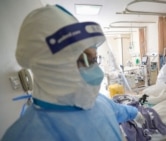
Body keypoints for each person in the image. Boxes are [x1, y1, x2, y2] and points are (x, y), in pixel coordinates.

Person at [1, 5, 145, 141]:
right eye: (84, 60)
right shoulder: (26, 135)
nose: (98, 73)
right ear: (48, 67)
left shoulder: (97, 101)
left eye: (94, 59)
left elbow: (117, 110)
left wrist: (135, 113)